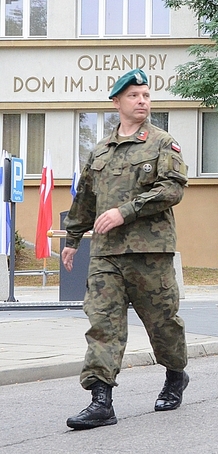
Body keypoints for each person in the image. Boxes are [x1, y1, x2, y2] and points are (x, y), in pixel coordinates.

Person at [63, 69, 190, 430]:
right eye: (134, 96)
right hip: (106, 256)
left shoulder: (163, 143)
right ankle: (100, 400)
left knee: (163, 324)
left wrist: (125, 211)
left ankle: (175, 374)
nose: (142, 102)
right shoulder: (100, 150)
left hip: (150, 252)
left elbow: (172, 190)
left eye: (146, 96)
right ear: (117, 102)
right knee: (103, 325)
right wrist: (73, 240)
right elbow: (85, 199)